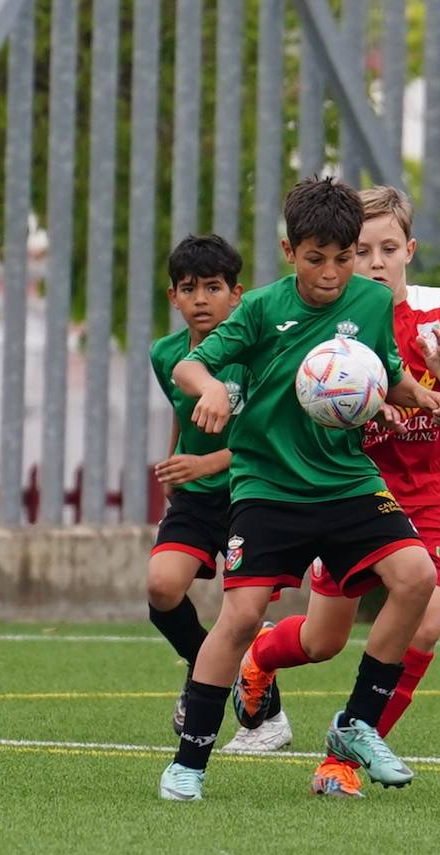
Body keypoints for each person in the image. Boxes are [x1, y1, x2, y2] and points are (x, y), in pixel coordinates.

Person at [158, 176, 440, 802]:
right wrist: (207, 387)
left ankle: (354, 725)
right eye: (315, 259)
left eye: (343, 259)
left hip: (348, 482)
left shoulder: (371, 304)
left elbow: (385, 375)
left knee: (416, 578)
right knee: (239, 618)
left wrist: (419, 393)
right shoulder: (262, 308)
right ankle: (189, 762)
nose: (331, 273)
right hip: (269, 487)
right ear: (290, 252)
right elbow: (192, 363)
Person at [229, 185, 440, 798]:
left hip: (426, 493)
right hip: (348, 490)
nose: (375, 262)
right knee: (323, 641)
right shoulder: (336, 311)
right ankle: (260, 661)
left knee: (425, 624)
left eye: (386, 249)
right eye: (362, 251)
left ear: (410, 249)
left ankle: (344, 752)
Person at [146, 235, 293, 759]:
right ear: (174, 298)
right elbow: (182, 415)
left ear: (238, 295)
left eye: (214, 287)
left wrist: (205, 463)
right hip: (193, 498)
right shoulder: (166, 354)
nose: (202, 298)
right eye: (190, 289)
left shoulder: (255, 354)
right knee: (162, 588)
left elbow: (265, 434)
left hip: (248, 493)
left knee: (243, 614)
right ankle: (201, 666)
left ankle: (266, 716)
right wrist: (173, 465)